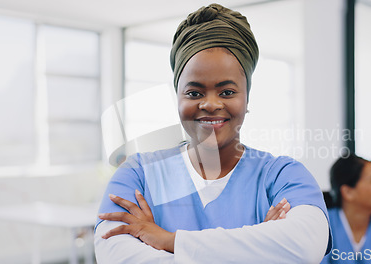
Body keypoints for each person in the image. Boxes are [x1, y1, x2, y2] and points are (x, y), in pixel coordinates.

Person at [94, 4, 331, 263]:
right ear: (177, 98)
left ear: (247, 98)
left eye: (227, 92)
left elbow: (306, 245)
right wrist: (258, 249)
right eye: (194, 93)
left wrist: (169, 241)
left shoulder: (284, 175)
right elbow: (114, 253)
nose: (210, 104)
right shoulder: (137, 175)